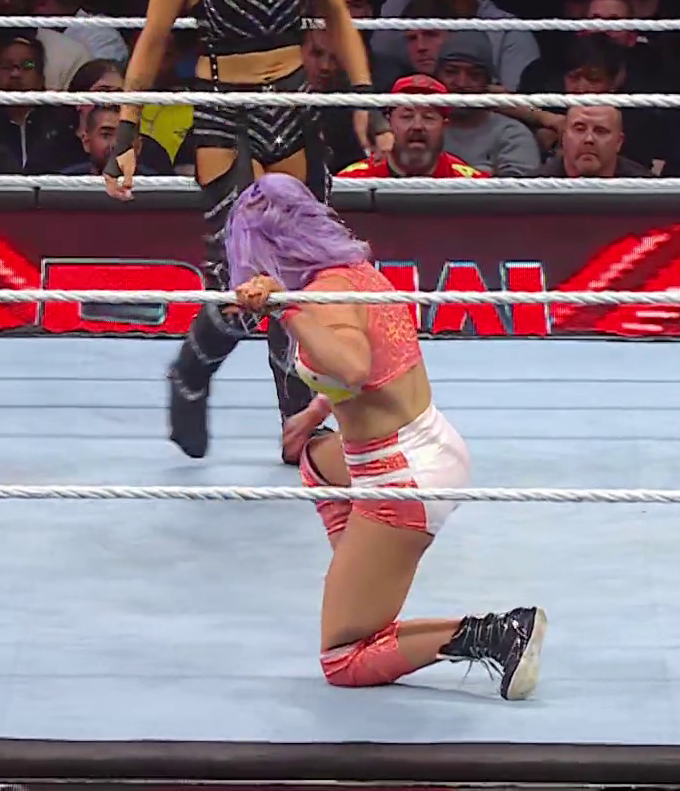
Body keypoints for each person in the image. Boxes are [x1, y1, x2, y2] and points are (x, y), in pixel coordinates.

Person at [103, 0, 375, 464]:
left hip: (295, 106)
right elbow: (151, 41)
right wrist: (126, 131)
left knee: (304, 275)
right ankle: (191, 372)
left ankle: (296, 421)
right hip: (226, 111)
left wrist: (366, 98)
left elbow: (337, 15)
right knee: (242, 277)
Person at [225, 174, 546, 698]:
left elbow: (352, 365)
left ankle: (498, 634)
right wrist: (317, 410)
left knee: (344, 659)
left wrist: (286, 307)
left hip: (402, 478)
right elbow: (375, 366)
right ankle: (360, 574)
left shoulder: (317, 298)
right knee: (316, 456)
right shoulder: (356, 271)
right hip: (428, 440)